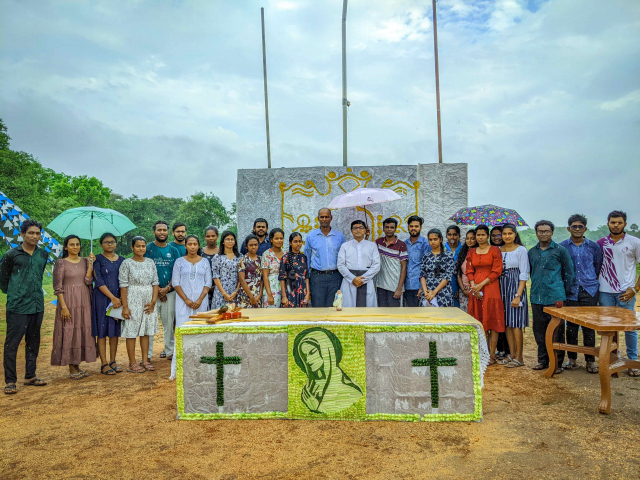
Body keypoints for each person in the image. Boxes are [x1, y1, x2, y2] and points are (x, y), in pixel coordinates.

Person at [1, 219, 49, 394]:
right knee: (12, 344)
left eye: (37, 233)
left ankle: (30, 376)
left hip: (37, 305)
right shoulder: (11, 255)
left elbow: (39, 275)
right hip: (17, 306)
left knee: (33, 342)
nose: (35, 236)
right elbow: (3, 280)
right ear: (22, 234)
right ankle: (10, 381)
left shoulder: (43, 254)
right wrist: (16, 293)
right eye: (31, 233)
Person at [597, 210, 640, 376]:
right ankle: (613, 358)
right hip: (605, 292)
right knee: (609, 328)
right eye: (613, 222)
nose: (616, 225)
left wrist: (635, 289)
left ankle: (633, 362)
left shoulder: (634, 242)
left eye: (619, 222)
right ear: (608, 223)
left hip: (626, 292)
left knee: (630, 328)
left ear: (625, 224)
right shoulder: (601, 243)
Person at [528, 220, 574, 373]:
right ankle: (542, 360)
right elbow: (531, 272)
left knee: (557, 330)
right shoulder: (532, 252)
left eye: (546, 231)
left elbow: (569, 273)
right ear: (536, 233)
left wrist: (563, 291)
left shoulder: (560, 250)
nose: (543, 234)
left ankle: (557, 363)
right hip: (537, 296)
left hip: (556, 296)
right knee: (539, 329)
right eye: (540, 231)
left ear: (552, 233)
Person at [559, 214, 602, 373]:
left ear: (585, 228)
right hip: (570, 290)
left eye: (580, 226)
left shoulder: (593, 247)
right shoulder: (562, 247)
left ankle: (590, 361)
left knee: (589, 326)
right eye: (574, 226)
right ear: (568, 228)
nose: (577, 229)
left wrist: (589, 280)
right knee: (571, 326)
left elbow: (597, 266)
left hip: (589, 290)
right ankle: (572, 359)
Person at [50, 235, 96, 379]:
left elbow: (88, 281)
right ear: (66, 247)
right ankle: (71, 366)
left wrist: (91, 265)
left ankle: (77, 364)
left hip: (84, 301)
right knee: (69, 330)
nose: (75, 247)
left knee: (82, 330)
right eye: (72, 244)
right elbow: (57, 287)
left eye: (77, 244)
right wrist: (63, 307)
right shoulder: (61, 263)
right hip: (68, 301)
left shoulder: (85, 261)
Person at [171, 234, 211, 378]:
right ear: (185, 246)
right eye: (190, 244)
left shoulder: (205, 262)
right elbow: (175, 283)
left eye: (195, 244)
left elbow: (208, 283)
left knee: (200, 331)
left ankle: (200, 365)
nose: (192, 247)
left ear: (199, 245)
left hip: (201, 303)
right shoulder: (179, 262)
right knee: (183, 331)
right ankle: (181, 366)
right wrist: (186, 300)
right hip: (183, 303)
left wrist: (200, 299)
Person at [119, 236, 160, 373]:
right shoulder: (126, 263)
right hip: (132, 298)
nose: (141, 248)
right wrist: (125, 307)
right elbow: (123, 285)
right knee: (131, 330)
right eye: (138, 246)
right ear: (132, 247)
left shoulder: (150, 262)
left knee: (146, 331)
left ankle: (145, 360)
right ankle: (132, 362)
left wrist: (153, 302)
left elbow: (155, 283)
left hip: (148, 299)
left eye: (143, 246)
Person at [466, 225, 505, 365]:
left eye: (483, 235)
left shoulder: (495, 250)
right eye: (478, 235)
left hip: (491, 287)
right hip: (475, 288)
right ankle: (481, 353)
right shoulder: (471, 251)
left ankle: (492, 354)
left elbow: (497, 270)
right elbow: (469, 270)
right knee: (478, 320)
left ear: (487, 236)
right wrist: (473, 287)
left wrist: (480, 285)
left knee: (492, 320)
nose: (480, 237)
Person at [144, 221, 180, 361]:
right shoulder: (147, 249)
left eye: (164, 230)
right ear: (154, 232)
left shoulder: (173, 250)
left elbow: (176, 272)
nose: (162, 232)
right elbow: (145, 270)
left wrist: (167, 288)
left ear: (168, 232)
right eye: (159, 230)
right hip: (150, 294)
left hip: (169, 293)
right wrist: (158, 290)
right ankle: (147, 355)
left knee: (168, 323)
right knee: (150, 323)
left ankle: (169, 351)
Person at [91, 233, 125, 375]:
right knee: (102, 330)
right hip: (102, 299)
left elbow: (125, 280)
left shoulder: (122, 260)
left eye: (112, 242)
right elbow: (98, 280)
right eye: (106, 242)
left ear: (116, 244)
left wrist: (120, 299)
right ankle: (104, 363)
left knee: (114, 330)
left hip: (118, 299)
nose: (109, 244)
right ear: (101, 244)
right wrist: (112, 298)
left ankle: (113, 361)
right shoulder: (97, 259)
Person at [499, 224, 529, 368]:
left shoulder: (520, 250)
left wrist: (518, 295)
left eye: (510, 233)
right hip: (502, 286)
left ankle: (519, 357)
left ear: (515, 234)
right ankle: (511, 354)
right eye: (504, 234)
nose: (507, 236)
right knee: (507, 322)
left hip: (515, 285)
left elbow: (524, 273)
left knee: (516, 322)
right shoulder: (499, 250)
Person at [305, 208, 345, 307]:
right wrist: (307, 279)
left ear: (331, 218)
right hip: (317, 277)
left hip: (335, 277)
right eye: (322, 217)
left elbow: (344, 257)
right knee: (318, 307)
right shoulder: (311, 237)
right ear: (318, 218)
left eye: (327, 217)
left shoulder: (339, 237)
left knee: (334, 306)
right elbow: (307, 258)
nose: (324, 219)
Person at [337, 220, 381, 308]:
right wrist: (353, 278)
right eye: (355, 228)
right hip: (349, 281)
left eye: (361, 228)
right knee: (348, 308)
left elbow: (376, 265)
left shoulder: (372, 246)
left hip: (366, 280)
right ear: (351, 231)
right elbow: (340, 265)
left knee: (367, 310)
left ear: (365, 230)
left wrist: (362, 279)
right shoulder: (345, 246)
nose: (358, 230)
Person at [374, 217, 408, 307]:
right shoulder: (378, 243)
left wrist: (399, 288)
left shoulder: (401, 245)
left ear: (395, 229)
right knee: (381, 312)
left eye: (392, 227)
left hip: (394, 287)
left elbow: (404, 267)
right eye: (387, 227)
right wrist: (366, 236)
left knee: (394, 313)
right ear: (383, 229)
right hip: (381, 285)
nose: (389, 229)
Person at [419, 229, 456, 307]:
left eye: (435, 239)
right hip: (427, 293)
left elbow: (447, 276)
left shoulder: (448, 256)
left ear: (441, 239)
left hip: (443, 294)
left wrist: (434, 292)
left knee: (442, 314)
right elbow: (422, 275)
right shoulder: (426, 256)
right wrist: (425, 292)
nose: (433, 242)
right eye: (430, 240)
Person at [403, 215, 431, 307]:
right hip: (407, 286)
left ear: (420, 228)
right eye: (411, 226)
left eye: (416, 226)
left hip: (420, 286)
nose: (413, 228)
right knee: (410, 312)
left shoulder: (425, 244)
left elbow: (428, 266)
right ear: (408, 227)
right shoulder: (404, 244)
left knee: (421, 313)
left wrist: (423, 287)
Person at [211, 231, 241, 309]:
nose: (230, 241)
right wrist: (224, 294)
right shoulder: (217, 257)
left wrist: (236, 291)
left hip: (235, 292)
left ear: (235, 242)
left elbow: (241, 276)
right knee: (220, 313)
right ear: (223, 242)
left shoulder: (240, 257)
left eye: (232, 239)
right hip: (221, 292)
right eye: (227, 239)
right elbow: (215, 276)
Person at [279, 232, 310, 308]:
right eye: (295, 241)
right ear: (290, 243)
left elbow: (306, 277)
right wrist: (284, 296)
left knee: (302, 314)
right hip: (290, 291)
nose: (298, 244)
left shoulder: (304, 257)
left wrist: (308, 294)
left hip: (302, 291)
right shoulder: (285, 258)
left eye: (300, 241)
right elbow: (282, 278)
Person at [237, 235, 263, 308]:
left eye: (255, 245)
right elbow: (242, 280)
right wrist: (251, 297)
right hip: (245, 295)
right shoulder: (243, 260)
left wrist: (259, 295)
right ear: (246, 246)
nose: (253, 247)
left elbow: (262, 279)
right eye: (251, 245)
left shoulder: (261, 259)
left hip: (257, 295)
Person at [262, 228, 285, 308]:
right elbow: (265, 276)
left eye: (281, 238)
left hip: (285, 288)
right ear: (271, 240)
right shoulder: (267, 254)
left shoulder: (286, 254)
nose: (279, 241)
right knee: (271, 313)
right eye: (276, 238)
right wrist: (269, 294)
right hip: (272, 288)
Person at [456, 230, 477, 313]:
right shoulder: (462, 253)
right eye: (467, 238)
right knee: (465, 314)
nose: (469, 241)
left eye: (472, 238)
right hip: (464, 289)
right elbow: (458, 274)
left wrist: (474, 289)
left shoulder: (479, 253)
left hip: (476, 289)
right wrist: (463, 290)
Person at [201, 225, 220, 309]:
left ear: (217, 236)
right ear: (205, 237)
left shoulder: (223, 251)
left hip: (220, 288)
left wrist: (217, 285)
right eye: (208, 236)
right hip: (203, 289)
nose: (210, 238)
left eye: (213, 236)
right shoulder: (200, 252)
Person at [445, 225, 463, 307]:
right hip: (443, 284)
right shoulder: (442, 249)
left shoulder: (463, 250)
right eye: (449, 234)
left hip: (458, 283)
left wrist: (460, 289)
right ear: (446, 236)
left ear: (459, 236)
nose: (452, 237)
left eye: (455, 234)